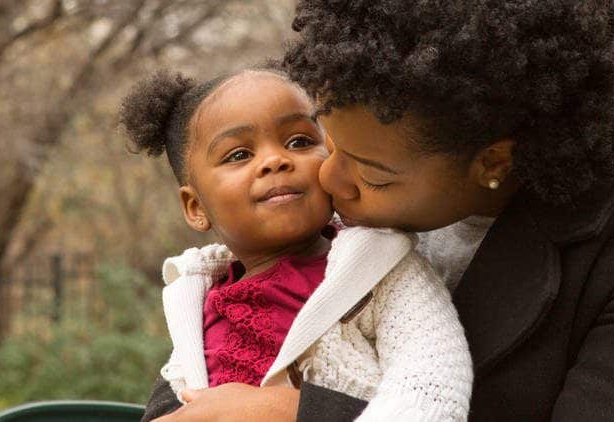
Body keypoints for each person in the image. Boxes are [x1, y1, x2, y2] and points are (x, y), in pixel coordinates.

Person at [143, 0, 614, 421]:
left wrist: (297, 413)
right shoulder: (302, 232)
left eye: (372, 172)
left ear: (493, 160)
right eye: (329, 141)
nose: (326, 179)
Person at [118, 67, 472, 421]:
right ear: (196, 208)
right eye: (239, 155)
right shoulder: (197, 299)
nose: (275, 161)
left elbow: (432, 389)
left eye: (299, 142)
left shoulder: (381, 268)